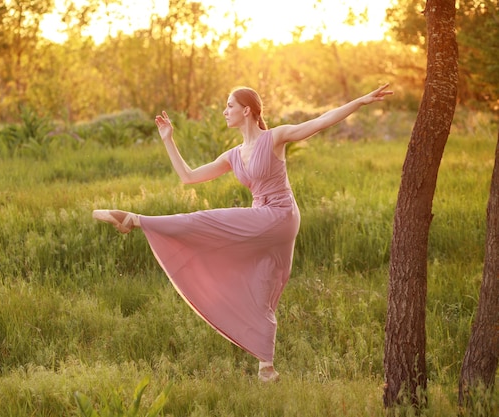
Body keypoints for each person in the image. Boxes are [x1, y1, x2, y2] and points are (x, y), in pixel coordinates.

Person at [93, 84, 393, 382]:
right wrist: (168, 139)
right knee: (263, 285)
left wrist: (361, 101)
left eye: (229, 106)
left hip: (280, 216)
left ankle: (135, 220)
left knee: (203, 222)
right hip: (261, 217)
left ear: (247, 110)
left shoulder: (275, 137)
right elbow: (188, 177)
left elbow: (320, 121)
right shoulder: (233, 155)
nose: (224, 111)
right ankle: (267, 368)